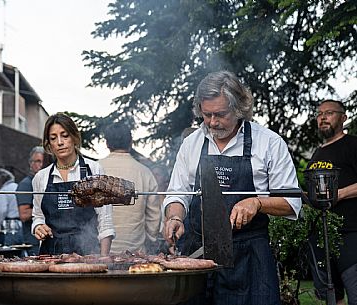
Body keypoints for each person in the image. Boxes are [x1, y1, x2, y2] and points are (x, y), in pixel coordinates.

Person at [162, 71, 301, 304]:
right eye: (207, 115)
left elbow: (291, 202)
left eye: (221, 114)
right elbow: (177, 193)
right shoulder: (192, 143)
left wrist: (257, 202)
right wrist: (175, 217)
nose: (213, 122)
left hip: (249, 257)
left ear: (239, 108)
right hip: (199, 254)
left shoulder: (268, 142)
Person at [31, 113, 115, 255]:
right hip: (50, 255)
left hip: (88, 253)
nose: (60, 142)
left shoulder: (93, 170)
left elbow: (105, 219)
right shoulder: (41, 177)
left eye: (65, 136)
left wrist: (103, 258)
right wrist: (38, 226)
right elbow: (38, 215)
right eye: (53, 138)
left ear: (74, 138)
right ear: (49, 144)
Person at [307, 99, 357, 305]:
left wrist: (341, 193)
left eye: (329, 113)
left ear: (343, 118)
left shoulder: (353, 145)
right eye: (319, 114)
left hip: (351, 233)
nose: (323, 117)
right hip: (322, 235)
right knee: (331, 296)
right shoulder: (317, 153)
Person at [99, 121, 161, 254]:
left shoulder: (95, 169)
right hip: (135, 254)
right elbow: (154, 218)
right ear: (130, 142)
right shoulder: (144, 172)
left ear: (107, 143)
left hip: (99, 253)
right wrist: (151, 239)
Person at [15, 146, 45, 255]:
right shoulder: (26, 184)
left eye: (42, 161)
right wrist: (49, 207)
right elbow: (23, 214)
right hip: (34, 240)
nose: (40, 165)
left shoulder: (46, 182)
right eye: (37, 161)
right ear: (30, 164)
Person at [0, 168, 23, 246]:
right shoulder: (19, 187)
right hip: (22, 224)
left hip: (10, 225)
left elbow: (2, 211)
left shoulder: (2, 191)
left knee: (10, 251)